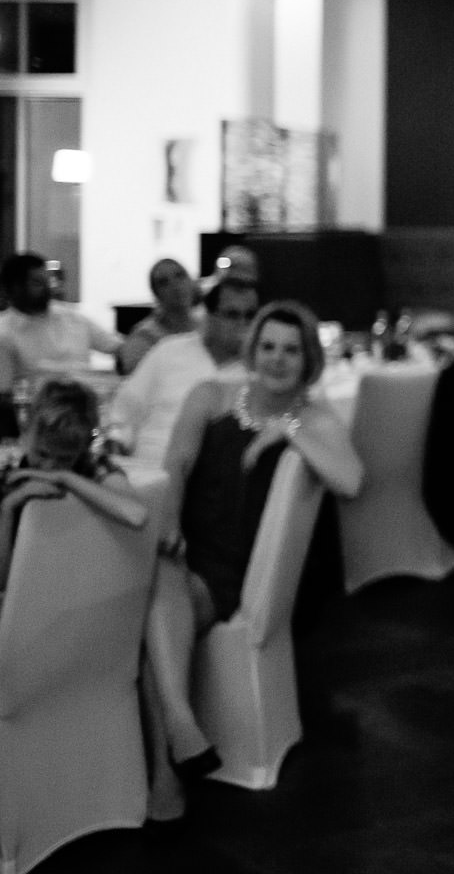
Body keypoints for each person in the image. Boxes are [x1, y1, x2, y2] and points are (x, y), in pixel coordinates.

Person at [143, 299, 362, 782]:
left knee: (150, 605)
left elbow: (350, 481)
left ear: (309, 360)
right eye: (267, 347)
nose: (277, 359)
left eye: (291, 350)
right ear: (252, 351)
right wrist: (171, 522)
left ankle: (162, 772)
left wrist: (289, 430)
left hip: (232, 572)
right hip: (185, 547)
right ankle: (180, 734)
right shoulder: (210, 396)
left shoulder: (316, 420)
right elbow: (175, 464)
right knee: (157, 573)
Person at [0, 377, 148, 607]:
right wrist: (8, 509)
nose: (48, 466)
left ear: (84, 448)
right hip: (25, 602)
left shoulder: (93, 468)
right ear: (26, 432)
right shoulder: (9, 474)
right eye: (42, 454)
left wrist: (65, 477)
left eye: (63, 458)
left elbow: (135, 514)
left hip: (81, 595)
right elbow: (3, 584)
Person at [106, 276, 260, 469]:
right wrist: (114, 457)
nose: (243, 323)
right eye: (232, 314)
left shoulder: (260, 371)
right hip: (145, 469)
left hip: (215, 481)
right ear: (210, 316)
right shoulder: (169, 351)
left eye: (250, 315)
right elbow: (123, 416)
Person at [0, 251, 123, 408]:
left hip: (89, 405)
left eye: (47, 281)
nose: (47, 288)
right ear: (16, 287)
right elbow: (5, 397)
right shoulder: (4, 332)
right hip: (43, 415)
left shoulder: (71, 318)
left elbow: (118, 347)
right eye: (38, 283)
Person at [117, 257, 202, 375]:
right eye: (164, 282)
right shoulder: (143, 339)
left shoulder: (208, 327)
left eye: (180, 276)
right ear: (156, 294)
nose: (176, 286)